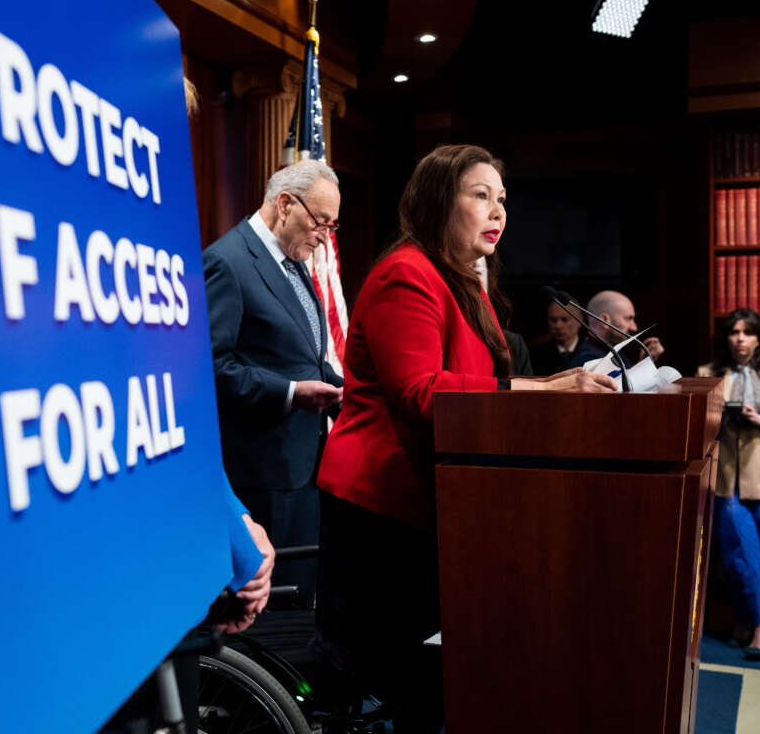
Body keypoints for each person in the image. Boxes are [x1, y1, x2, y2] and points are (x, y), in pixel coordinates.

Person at [315, 144, 615, 730]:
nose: (497, 211)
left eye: (502, 199)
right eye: (480, 196)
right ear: (436, 201)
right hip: (380, 505)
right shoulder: (408, 273)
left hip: (433, 500)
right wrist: (547, 391)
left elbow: (485, 380)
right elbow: (422, 391)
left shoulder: (464, 282)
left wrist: (554, 381)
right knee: (395, 675)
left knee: (428, 677)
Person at [203, 160, 345, 605]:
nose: (325, 236)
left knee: (302, 600)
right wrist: (288, 393)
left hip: (304, 466)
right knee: (271, 613)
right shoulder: (227, 261)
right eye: (320, 222)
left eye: (332, 225)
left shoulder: (294, 260)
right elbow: (211, 366)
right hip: (259, 475)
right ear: (285, 204)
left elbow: (302, 354)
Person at [697, 308, 760, 660]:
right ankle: (759, 623)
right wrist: (721, 413)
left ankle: (754, 623)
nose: (740, 338)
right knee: (739, 556)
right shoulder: (708, 375)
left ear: (758, 339)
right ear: (726, 339)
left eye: (747, 332)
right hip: (726, 479)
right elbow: (699, 425)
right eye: (734, 332)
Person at [570, 289, 664, 369]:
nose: (634, 327)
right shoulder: (589, 360)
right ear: (604, 320)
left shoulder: (612, 352)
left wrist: (644, 361)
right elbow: (623, 389)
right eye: (628, 318)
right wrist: (644, 365)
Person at [530, 300, 581, 376]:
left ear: (579, 320)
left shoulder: (593, 352)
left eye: (564, 319)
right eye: (553, 320)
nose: (558, 326)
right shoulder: (536, 355)